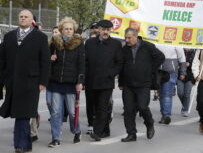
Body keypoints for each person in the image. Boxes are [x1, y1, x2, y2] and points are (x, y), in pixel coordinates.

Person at [0, 10, 50, 153]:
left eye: (26, 17)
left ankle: (20, 145)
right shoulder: (9, 36)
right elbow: (2, 59)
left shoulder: (40, 37)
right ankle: (26, 144)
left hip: (31, 82)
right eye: (21, 17)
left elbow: (45, 62)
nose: (22, 19)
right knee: (19, 112)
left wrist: (43, 82)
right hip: (13, 81)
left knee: (23, 113)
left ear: (31, 20)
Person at [119, 28, 165, 142]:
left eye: (129, 38)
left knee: (142, 106)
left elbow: (161, 57)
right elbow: (121, 67)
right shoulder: (125, 49)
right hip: (128, 84)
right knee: (128, 110)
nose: (127, 40)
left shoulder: (147, 46)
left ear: (135, 36)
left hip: (144, 83)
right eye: (126, 37)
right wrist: (121, 82)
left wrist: (150, 69)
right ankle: (131, 134)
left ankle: (149, 123)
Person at [48, 17, 84, 147]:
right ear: (61, 30)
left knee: (72, 111)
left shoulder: (79, 43)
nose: (68, 31)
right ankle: (56, 138)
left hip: (71, 83)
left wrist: (80, 81)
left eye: (70, 29)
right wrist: (50, 59)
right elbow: (47, 60)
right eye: (66, 29)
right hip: (56, 82)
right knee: (56, 112)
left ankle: (76, 130)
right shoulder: (55, 43)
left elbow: (81, 63)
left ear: (73, 30)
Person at [85, 20, 123, 141]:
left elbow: (119, 63)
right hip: (91, 81)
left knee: (102, 106)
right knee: (95, 106)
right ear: (98, 30)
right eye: (103, 29)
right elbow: (85, 61)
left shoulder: (115, 44)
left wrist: (111, 74)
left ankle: (97, 132)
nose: (105, 32)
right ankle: (105, 130)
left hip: (106, 82)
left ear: (110, 30)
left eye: (108, 30)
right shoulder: (90, 43)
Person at [156, 45, 186, 124]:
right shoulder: (157, 41)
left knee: (167, 94)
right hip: (158, 72)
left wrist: (183, 72)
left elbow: (182, 58)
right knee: (161, 94)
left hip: (171, 72)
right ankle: (164, 114)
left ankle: (166, 115)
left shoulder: (176, 43)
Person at [176, 49, 196, 117]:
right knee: (180, 93)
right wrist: (181, 64)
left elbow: (197, 64)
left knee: (187, 94)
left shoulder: (194, 53)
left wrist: (190, 64)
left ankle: (185, 110)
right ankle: (185, 105)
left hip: (189, 77)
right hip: (180, 76)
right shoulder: (179, 51)